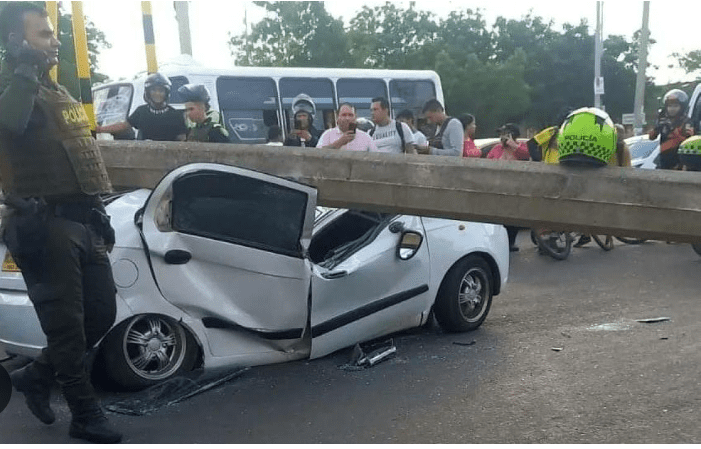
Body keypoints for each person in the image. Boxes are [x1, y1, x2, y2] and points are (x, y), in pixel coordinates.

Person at [0, 2, 121, 443]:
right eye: (44, 34)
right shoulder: (12, 87)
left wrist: (100, 213)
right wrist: (22, 69)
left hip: (83, 222)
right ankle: (85, 415)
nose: (54, 41)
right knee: (66, 328)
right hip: (42, 225)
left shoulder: (57, 91)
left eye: (52, 34)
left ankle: (37, 375)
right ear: (15, 40)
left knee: (102, 313)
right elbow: (9, 122)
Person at [95, 72, 187, 141]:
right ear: (148, 92)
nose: (157, 93)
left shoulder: (175, 115)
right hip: (145, 157)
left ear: (166, 93)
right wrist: (100, 129)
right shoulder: (141, 111)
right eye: (154, 90)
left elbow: (182, 139)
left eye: (161, 90)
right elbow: (124, 126)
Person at [484, 123, 529, 251]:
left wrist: (513, 145)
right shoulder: (497, 149)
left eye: (505, 134)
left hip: (515, 189)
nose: (501, 138)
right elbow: (487, 163)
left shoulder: (521, 147)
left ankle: (511, 242)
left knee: (513, 217)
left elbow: (526, 155)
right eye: (501, 135)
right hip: (497, 188)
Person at [648, 89, 694, 170]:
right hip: (664, 162)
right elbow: (652, 137)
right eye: (670, 106)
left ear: (682, 107)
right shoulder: (662, 121)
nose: (672, 109)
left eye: (675, 106)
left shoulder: (686, 121)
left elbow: (688, 139)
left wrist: (673, 129)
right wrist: (654, 129)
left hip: (680, 162)